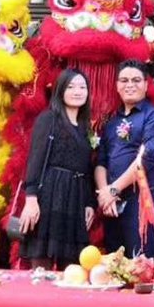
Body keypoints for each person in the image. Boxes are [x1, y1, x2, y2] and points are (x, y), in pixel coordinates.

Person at [19, 69, 96, 269]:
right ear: (60, 91)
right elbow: (35, 159)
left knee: (72, 265)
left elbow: (86, 167)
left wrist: (89, 202)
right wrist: (31, 199)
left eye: (82, 87)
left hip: (75, 197)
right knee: (42, 258)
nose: (77, 91)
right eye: (71, 87)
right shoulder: (49, 119)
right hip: (51, 193)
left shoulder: (84, 126)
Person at [95, 59, 154, 258]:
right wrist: (105, 194)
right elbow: (101, 161)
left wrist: (114, 189)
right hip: (113, 204)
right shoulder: (112, 122)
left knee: (142, 263)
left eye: (136, 80)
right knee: (114, 264)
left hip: (145, 200)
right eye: (124, 80)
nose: (130, 85)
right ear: (117, 86)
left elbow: (147, 158)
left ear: (146, 85)